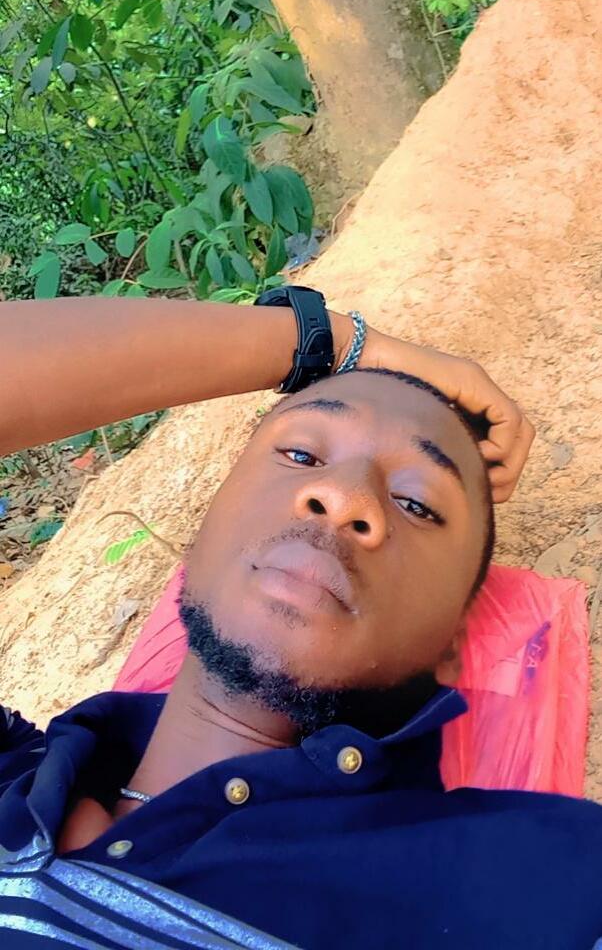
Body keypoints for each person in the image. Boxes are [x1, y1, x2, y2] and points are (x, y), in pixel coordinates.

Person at [0, 292, 600, 950]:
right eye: (302, 456)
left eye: (416, 503)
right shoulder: (18, 778)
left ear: (452, 642)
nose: (341, 497)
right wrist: (331, 341)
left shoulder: (542, 882)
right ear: (202, 536)